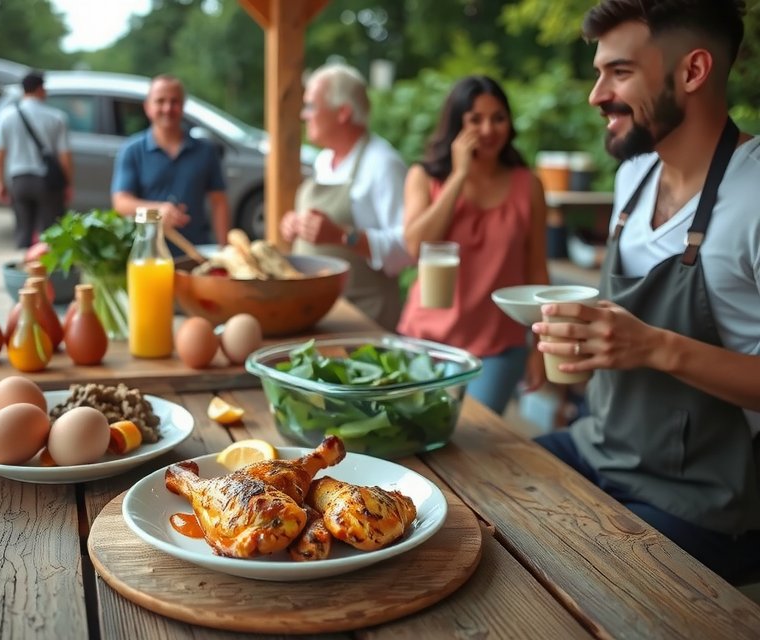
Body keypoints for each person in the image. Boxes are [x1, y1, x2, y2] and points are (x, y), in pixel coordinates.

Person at [530, 0, 760, 584]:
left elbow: (644, 340)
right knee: (476, 497)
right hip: (599, 446)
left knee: (565, 585)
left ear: (692, 71)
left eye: (621, 72)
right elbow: (615, 321)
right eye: (598, 72)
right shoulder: (633, 176)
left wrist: (655, 346)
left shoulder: (755, 192)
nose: (596, 94)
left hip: (704, 497)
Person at [397, 76, 549, 414]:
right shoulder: (426, 177)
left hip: (497, 348)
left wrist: (540, 347)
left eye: (498, 118)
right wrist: (459, 176)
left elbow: (537, 268)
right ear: (457, 125)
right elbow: (415, 245)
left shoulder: (529, 186)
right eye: (475, 119)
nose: (489, 129)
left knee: (473, 441)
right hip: (424, 342)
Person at [279, 63, 411, 330]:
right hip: (321, 315)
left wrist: (341, 235)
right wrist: (294, 225)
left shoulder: (383, 164)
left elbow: (407, 249)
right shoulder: (324, 161)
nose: (304, 115)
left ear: (343, 113)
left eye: (312, 106)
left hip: (365, 322)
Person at [112, 74, 229, 251]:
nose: (167, 108)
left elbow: (219, 202)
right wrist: (157, 212)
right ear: (147, 107)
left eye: (174, 101)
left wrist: (224, 249)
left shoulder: (205, 151)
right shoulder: (132, 151)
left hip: (194, 252)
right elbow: (121, 203)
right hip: (148, 254)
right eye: (160, 101)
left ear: (183, 106)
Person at [0, 71, 72, 248]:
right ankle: (47, 272)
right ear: (40, 89)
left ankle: (22, 271)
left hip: (19, 181)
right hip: (47, 182)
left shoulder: (6, 116)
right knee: (50, 234)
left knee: (23, 231)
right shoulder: (56, 117)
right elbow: (64, 155)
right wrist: (67, 183)